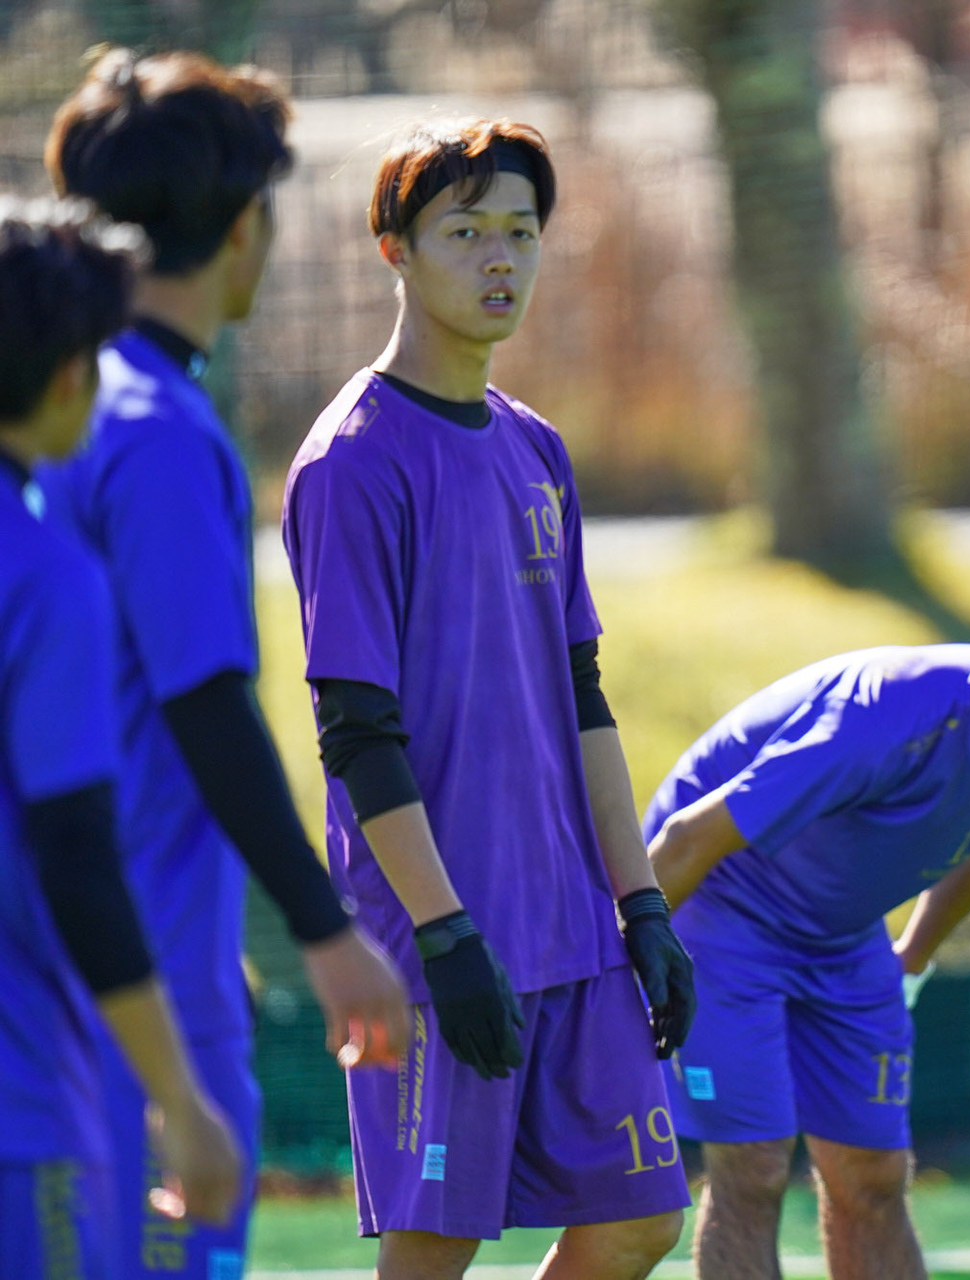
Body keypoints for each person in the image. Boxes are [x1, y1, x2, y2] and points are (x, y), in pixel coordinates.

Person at [281, 118, 697, 1278]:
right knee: (434, 1251)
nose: (501, 257)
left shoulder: (537, 448)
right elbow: (355, 732)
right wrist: (445, 931)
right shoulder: (352, 460)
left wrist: (643, 904)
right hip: (444, 934)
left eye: (521, 231)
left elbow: (583, 694)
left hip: (574, 924)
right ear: (395, 250)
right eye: (465, 233)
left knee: (641, 1216)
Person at [37, 49, 412, 1279]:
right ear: (246, 224)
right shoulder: (154, 429)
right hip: (130, 970)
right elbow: (202, 699)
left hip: (84, 945)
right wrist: (325, 928)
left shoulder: (62, 403)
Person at [642, 625, 970, 1280]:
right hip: (722, 913)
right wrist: (623, 964)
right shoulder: (884, 719)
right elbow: (687, 837)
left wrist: (911, 957)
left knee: (873, 1174)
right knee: (754, 1166)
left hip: (845, 937)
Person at [0, 196, 244, 1278]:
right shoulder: (50, 581)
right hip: (22, 1106)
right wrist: (178, 1095)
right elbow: (77, 857)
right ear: (68, 377)